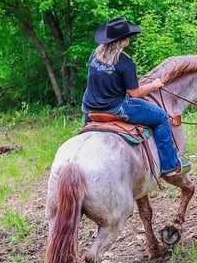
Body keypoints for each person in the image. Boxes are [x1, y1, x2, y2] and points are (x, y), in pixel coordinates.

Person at [81, 16, 190, 177]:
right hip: (117, 108)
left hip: (89, 107)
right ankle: (169, 164)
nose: (129, 38)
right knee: (161, 117)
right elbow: (134, 93)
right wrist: (154, 85)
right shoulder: (125, 62)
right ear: (123, 40)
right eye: (128, 36)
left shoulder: (94, 55)